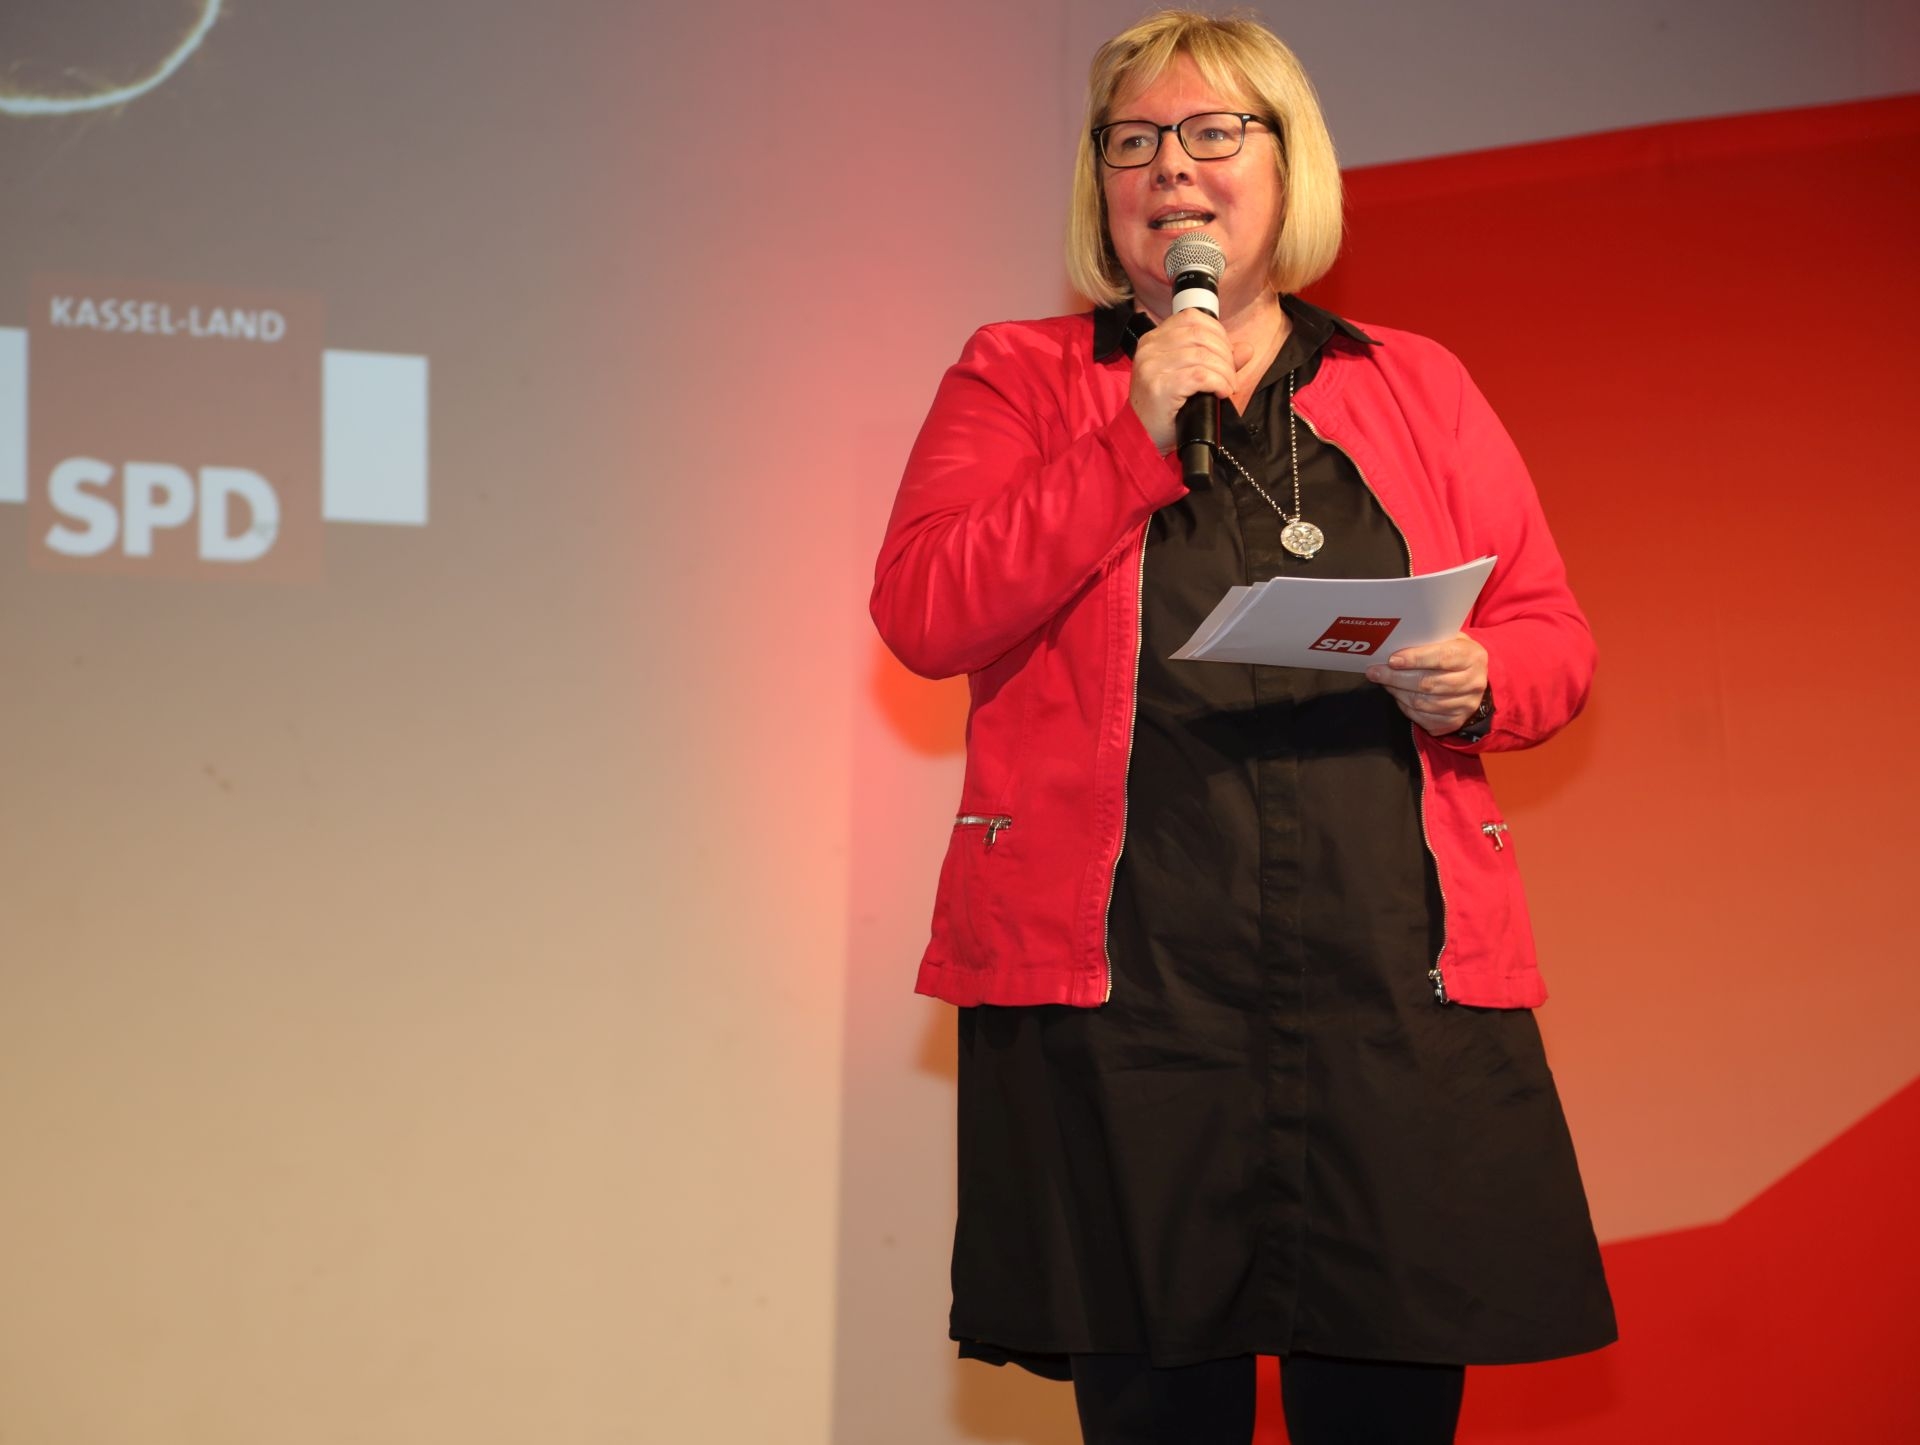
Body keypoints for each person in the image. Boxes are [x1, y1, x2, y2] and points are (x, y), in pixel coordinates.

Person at [869, 10, 1616, 1443]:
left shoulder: (1416, 382)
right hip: (1127, 992)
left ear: (1289, 164)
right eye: (1133, 141)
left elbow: (1552, 636)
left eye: (1214, 132)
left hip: (1389, 982)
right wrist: (1128, 442)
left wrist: (1481, 679)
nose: (1171, 168)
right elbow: (924, 609)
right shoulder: (1022, 375)